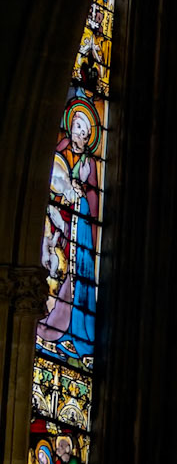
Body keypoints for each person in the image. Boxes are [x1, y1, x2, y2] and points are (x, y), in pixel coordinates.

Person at [37, 102, 101, 356]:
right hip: (57, 223)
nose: (78, 133)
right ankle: (50, 321)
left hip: (78, 230)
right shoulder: (60, 150)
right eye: (76, 127)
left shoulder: (90, 164)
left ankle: (73, 331)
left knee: (74, 278)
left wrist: (81, 192)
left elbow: (93, 203)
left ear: (88, 137)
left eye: (83, 131)